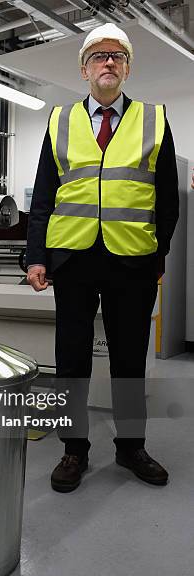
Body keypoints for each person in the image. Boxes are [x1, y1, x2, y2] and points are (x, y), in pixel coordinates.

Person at [26, 23, 179, 492]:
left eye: (116, 55)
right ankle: (74, 450)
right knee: (71, 358)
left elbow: (167, 198)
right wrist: (36, 257)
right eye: (98, 56)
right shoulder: (59, 120)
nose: (108, 62)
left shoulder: (153, 118)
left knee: (129, 359)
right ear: (84, 69)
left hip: (130, 259)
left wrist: (158, 254)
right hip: (72, 256)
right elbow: (44, 197)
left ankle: (131, 446)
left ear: (127, 67)